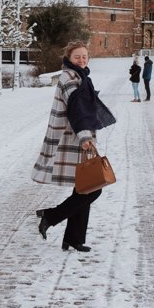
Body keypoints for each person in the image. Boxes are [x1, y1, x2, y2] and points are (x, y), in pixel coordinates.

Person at [32, 40, 116, 253]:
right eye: (77, 56)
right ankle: (51, 216)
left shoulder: (80, 76)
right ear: (69, 58)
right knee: (92, 189)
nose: (81, 59)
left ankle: (73, 239)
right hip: (74, 137)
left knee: (84, 187)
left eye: (84, 56)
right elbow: (77, 109)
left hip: (78, 136)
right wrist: (85, 136)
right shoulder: (69, 77)